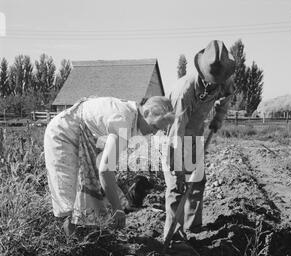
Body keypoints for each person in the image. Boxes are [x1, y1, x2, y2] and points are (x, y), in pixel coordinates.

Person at [44, 96, 174, 236]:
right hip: (64, 135)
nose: (154, 132)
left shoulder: (131, 115)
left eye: (159, 130)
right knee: (71, 201)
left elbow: (104, 166)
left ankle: (87, 238)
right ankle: (68, 244)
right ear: (146, 112)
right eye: (154, 126)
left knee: (89, 194)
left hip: (82, 135)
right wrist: (117, 209)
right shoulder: (123, 121)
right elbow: (105, 170)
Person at [164, 40, 236, 244]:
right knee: (176, 187)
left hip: (196, 134)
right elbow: (175, 134)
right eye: (212, 79)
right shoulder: (184, 91)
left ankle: (192, 225)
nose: (216, 83)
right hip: (173, 137)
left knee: (197, 180)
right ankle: (174, 238)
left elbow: (228, 96)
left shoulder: (224, 79)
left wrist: (218, 119)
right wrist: (178, 170)